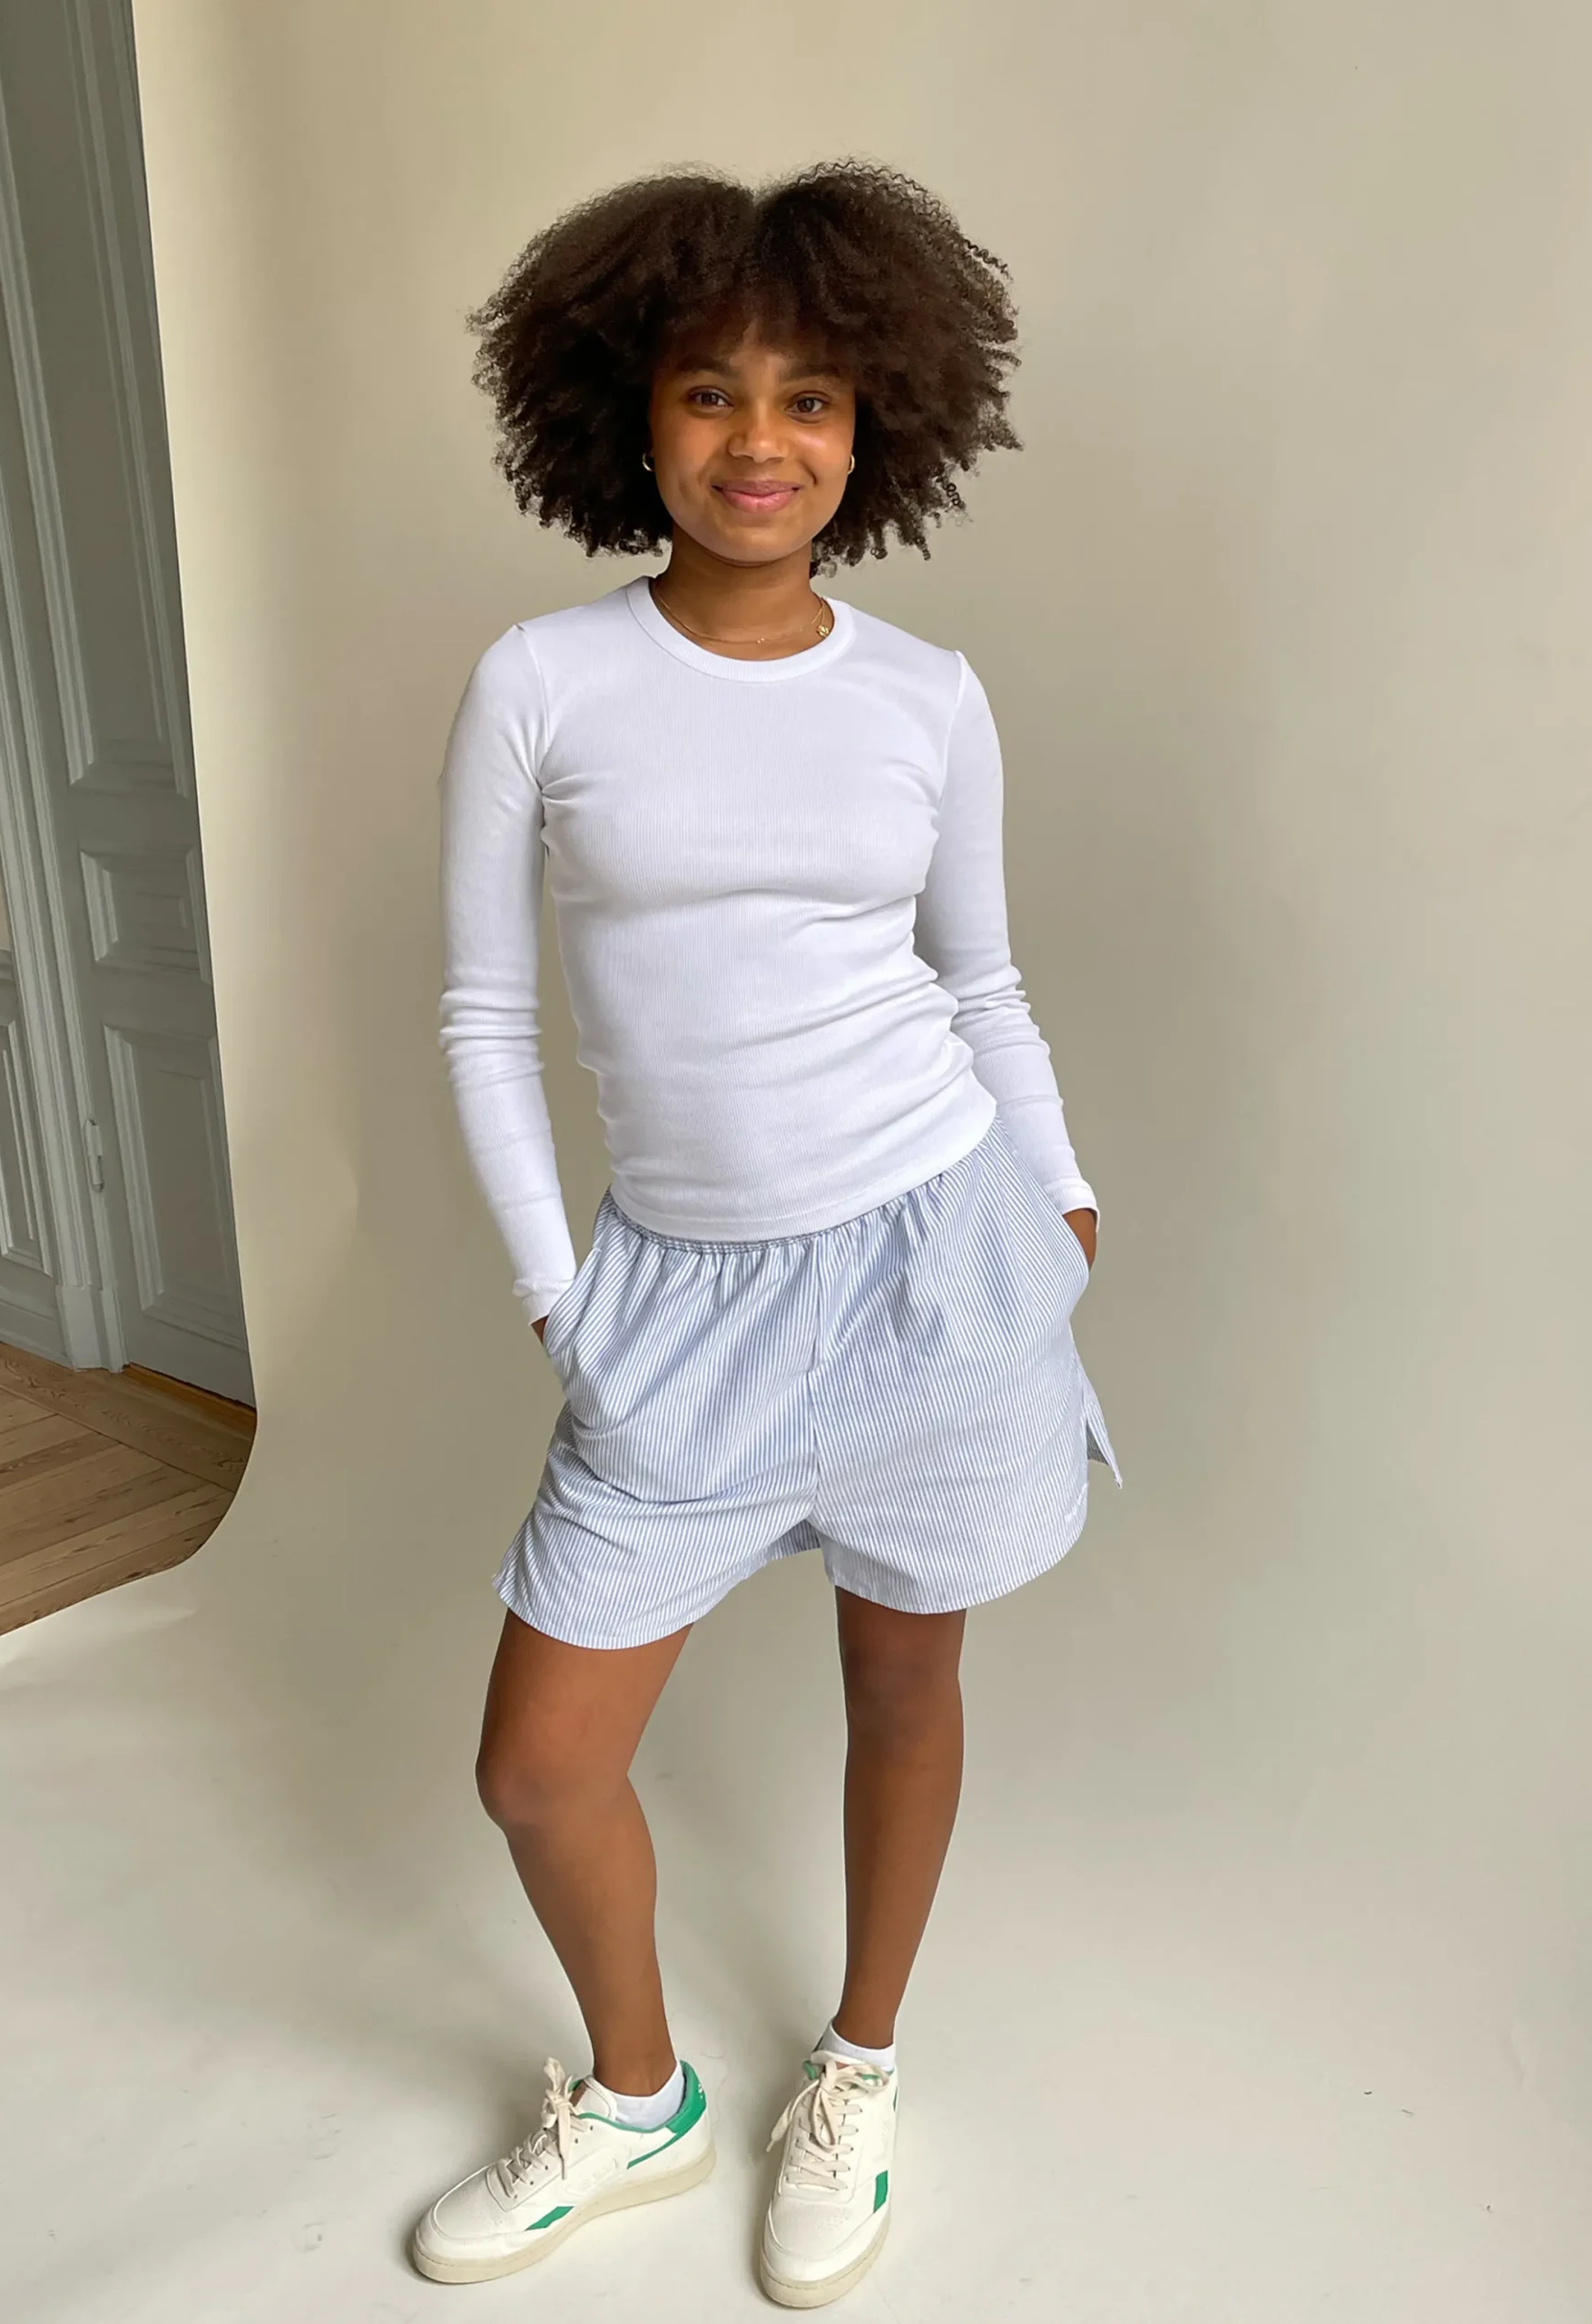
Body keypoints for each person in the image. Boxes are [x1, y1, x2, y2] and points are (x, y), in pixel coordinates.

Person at [413, 158, 1122, 2307]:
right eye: (711, 391)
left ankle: (860, 2066)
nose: (759, 441)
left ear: (872, 422)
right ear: (627, 414)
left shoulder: (928, 693)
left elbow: (980, 979)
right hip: (677, 1293)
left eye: (809, 397)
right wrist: (562, 1298)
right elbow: (481, 1012)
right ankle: (638, 2098)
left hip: (934, 1250)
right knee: (540, 1765)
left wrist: (1060, 1196)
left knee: (904, 1675)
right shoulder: (542, 679)